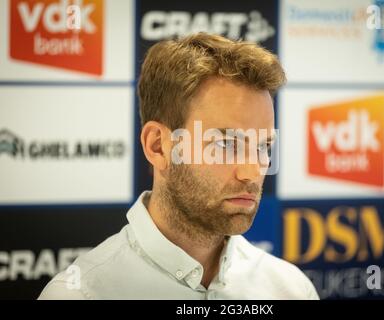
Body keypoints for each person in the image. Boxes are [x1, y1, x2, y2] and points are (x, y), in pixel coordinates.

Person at [38, 33, 319, 300]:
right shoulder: (80, 293)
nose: (253, 172)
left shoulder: (290, 289)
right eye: (225, 144)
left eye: (262, 146)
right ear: (158, 146)